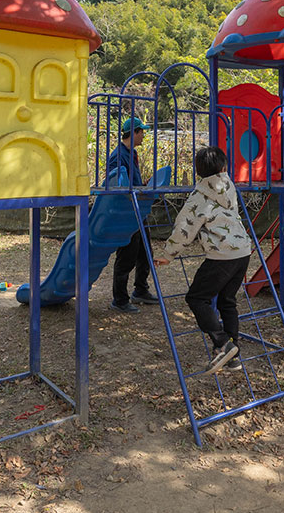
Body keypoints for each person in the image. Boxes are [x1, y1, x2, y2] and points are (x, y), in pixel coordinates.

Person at [155, 147, 253, 374]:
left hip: (222, 255)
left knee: (196, 298)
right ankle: (232, 355)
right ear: (224, 167)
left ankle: (223, 343)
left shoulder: (199, 196)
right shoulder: (229, 186)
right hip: (243, 252)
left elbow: (185, 227)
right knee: (227, 301)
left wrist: (169, 254)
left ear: (198, 172)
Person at [106, 117, 160, 313]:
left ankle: (141, 290)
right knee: (127, 256)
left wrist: (143, 186)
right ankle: (119, 300)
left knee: (145, 252)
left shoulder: (132, 153)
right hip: (126, 212)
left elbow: (131, 181)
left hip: (138, 208)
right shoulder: (118, 156)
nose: (144, 135)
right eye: (142, 132)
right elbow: (116, 184)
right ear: (134, 132)